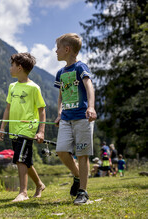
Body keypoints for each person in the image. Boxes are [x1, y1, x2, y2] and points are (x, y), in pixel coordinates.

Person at [53, 33, 97, 205]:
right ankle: (78, 175)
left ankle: (83, 192)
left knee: (82, 154)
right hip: (66, 118)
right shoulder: (60, 72)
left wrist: (91, 107)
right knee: (62, 151)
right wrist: (59, 113)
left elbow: (89, 87)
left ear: (67, 49)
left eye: (57, 48)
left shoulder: (80, 67)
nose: (55, 51)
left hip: (82, 117)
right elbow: (60, 96)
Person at [0, 52, 46, 202]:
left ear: (19, 67)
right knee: (25, 159)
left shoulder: (34, 88)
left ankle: (23, 192)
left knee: (20, 159)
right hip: (14, 129)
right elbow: (8, 108)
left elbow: (42, 110)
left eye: (12, 65)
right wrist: (2, 127)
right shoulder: (12, 87)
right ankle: (39, 184)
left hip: (27, 129)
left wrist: (41, 131)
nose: (10, 68)